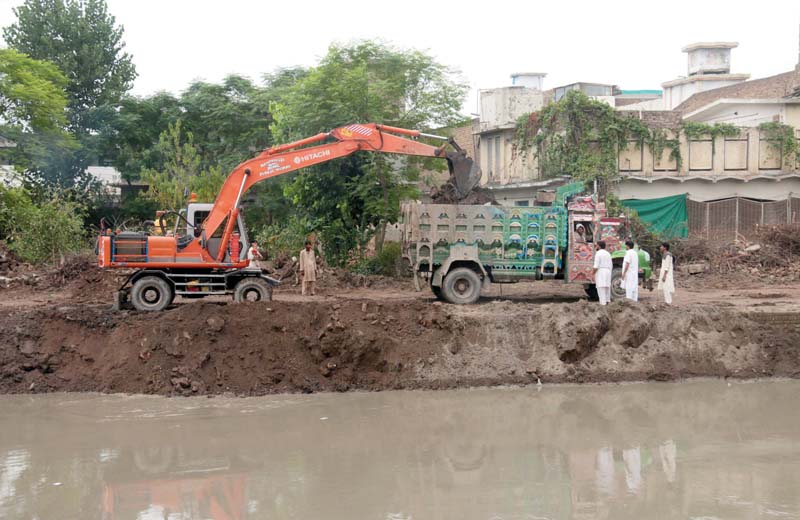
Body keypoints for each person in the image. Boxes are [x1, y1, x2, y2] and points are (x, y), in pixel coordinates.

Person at [593, 240, 613, 305]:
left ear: (599, 246)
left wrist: (592, 273)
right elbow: (611, 265)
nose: (595, 246)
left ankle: (603, 304)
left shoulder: (598, 253)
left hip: (601, 272)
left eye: (596, 245)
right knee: (607, 288)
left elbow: (596, 266)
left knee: (601, 288)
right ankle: (607, 302)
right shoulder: (608, 253)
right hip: (608, 271)